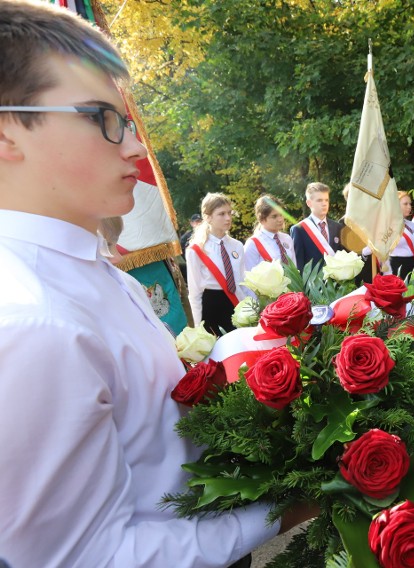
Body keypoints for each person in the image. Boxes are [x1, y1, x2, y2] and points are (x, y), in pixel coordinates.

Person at [0, 2, 316, 567]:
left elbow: (152, 440)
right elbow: (91, 557)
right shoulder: (31, 320)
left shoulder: (89, 270)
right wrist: (286, 506)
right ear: (7, 132)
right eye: (103, 118)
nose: (137, 148)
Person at [186, 192, 248, 335]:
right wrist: (197, 327)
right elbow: (195, 292)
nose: (228, 218)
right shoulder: (196, 250)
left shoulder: (237, 246)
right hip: (211, 307)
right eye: (221, 214)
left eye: (229, 213)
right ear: (208, 217)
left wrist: (249, 309)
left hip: (236, 306)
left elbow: (242, 282)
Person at [290, 181, 344, 271]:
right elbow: (299, 264)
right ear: (309, 203)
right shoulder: (299, 229)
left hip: (337, 283)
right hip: (313, 283)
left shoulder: (337, 227)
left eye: (326, 200)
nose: (324, 204)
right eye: (319, 200)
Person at [244, 194, 295, 271]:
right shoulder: (252, 244)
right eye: (274, 216)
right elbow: (249, 275)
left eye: (281, 214)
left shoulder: (287, 239)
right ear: (262, 219)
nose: (280, 219)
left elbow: (295, 268)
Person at [389, 190, 414, 282]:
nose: (409, 207)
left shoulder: (411, 225)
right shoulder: (387, 227)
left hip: (413, 265)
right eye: (405, 204)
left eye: (410, 204)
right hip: (396, 268)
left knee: (413, 296)